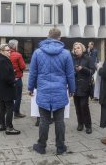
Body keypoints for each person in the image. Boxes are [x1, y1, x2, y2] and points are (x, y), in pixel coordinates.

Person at [28, 27, 75, 155]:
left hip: (43, 90)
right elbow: (70, 74)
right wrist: (72, 89)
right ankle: (60, 147)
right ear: (59, 38)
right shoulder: (66, 53)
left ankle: (41, 146)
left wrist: (30, 88)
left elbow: (33, 73)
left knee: (44, 120)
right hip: (60, 91)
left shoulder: (38, 52)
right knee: (60, 121)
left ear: (48, 36)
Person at [0, 44, 20, 135]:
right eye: (7, 50)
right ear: (1, 51)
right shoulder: (3, 60)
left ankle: (1, 125)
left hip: (2, 88)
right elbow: (5, 76)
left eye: (9, 50)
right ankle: (9, 127)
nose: (9, 52)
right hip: (6, 89)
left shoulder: (0, 59)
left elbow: (4, 73)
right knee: (10, 107)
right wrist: (13, 80)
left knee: (2, 106)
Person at [72, 42, 95, 134]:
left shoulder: (88, 58)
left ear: (82, 49)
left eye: (78, 48)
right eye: (75, 48)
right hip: (75, 86)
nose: (76, 50)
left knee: (84, 106)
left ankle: (88, 125)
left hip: (85, 86)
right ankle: (80, 124)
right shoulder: (72, 59)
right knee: (77, 107)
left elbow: (92, 71)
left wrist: (82, 69)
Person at [8, 39, 26, 118]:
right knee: (18, 96)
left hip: (7, 78)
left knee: (9, 96)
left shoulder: (5, 54)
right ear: (15, 46)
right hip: (17, 78)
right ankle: (16, 112)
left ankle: (8, 112)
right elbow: (23, 67)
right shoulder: (18, 55)